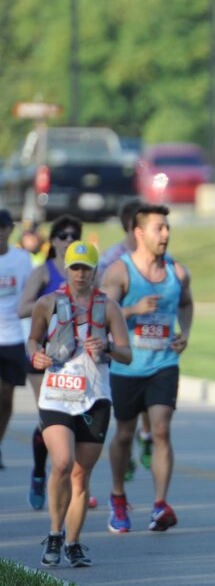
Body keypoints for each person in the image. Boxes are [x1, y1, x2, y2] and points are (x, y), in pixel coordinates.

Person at [29, 241, 132, 567]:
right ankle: (55, 532)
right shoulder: (48, 303)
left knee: (80, 475)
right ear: (66, 269)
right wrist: (36, 355)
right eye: (75, 267)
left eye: (86, 268)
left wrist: (109, 347)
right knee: (61, 462)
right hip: (57, 394)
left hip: (95, 398)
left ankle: (72, 542)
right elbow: (33, 339)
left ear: (94, 271)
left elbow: (127, 354)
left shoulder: (109, 307)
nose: (80, 274)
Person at [100, 204, 193, 533]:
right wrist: (133, 308)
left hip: (164, 363)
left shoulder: (177, 273)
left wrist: (185, 333)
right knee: (124, 434)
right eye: (159, 228)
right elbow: (103, 316)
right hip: (128, 365)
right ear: (139, 233)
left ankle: (159, 504)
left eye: (167, 227)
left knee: (162, 430)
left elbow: (186, 303)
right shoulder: (119, 272)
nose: (166, 234)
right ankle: (118, 496)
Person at [17, 214, 83, 509]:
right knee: (49, 417)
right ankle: (39, 474)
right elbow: (22, 309)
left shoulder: (84, 273)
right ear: (53, 240)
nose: (69, 240)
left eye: (74, 236)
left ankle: (76, 482)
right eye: (64, 235)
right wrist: (53, 302)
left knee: (77, 418)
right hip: (42, 354)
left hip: (75, 359)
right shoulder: (43, 273)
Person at [96, 198, 154, 477]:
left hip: (153, 343)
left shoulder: (155, 256)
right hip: (122, 347)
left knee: (153, 408)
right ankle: (127, 449)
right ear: (134, 226)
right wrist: (134, 309)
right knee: (126, 414)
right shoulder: (111, 259)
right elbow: (103, 308)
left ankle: (146, 435)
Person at [0, 208, 33, 471]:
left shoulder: (22, 259)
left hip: (13, 337)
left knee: (6, 398)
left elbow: (29, 296)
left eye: (3, 227)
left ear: (10, 230)